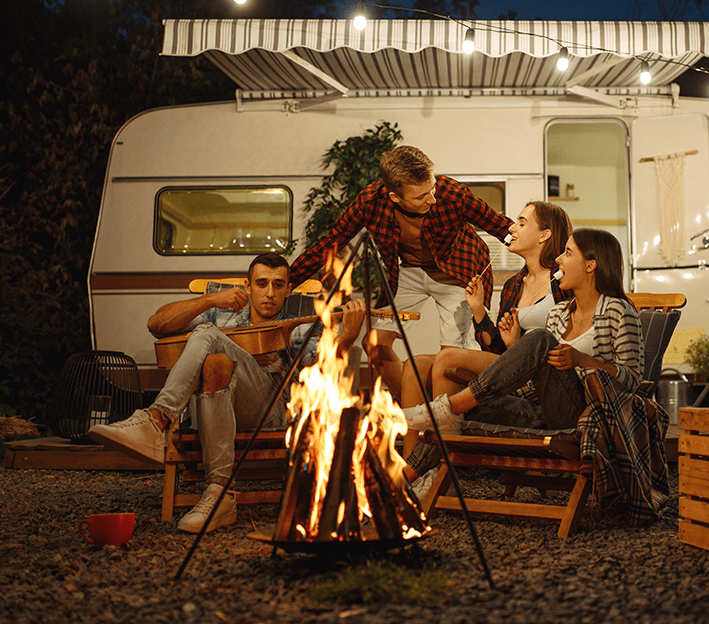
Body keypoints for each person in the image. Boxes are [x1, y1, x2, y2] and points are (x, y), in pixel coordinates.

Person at [89, 252, 366, 533]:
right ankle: (220, 493)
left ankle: (156, 420)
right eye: (261, 283)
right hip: (210, 409)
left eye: (279, 285)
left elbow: (319, 371)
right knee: (216, 360)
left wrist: (346, 339)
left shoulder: (298, 326)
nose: (269, 292)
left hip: (267, 413)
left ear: (288, 290)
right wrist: (208, 299)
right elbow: (156, 324)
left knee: (208, 333)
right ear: (247, 286)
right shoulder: (219, 313)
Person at [402, 228, 644, 483]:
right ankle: (410, 479)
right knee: (464, 413)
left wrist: (583, 361)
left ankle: (447, 409)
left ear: (590, 265)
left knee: (539, 339)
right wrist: (516, 349)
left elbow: (632, 380)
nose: (559, 259)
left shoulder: (618, 310)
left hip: (582, 414)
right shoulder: (559, 312)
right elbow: (537, 381)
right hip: (541, 410)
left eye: (568, 253)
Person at [289, 145, 514, 399]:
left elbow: (501, 226)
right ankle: (410, 410)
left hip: (458, 272)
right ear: (395, 197)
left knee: (450, 358)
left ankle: (447, 425)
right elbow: (331, 242)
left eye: (432, 189)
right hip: (408, 273)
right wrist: (288, 280)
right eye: (421, 197)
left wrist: (543, 251)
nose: (432, 199)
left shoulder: (452, 193)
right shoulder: (370, 202)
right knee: (373, 345)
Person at [399, 200, 572, 457]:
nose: (511, 228)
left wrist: (517, 345)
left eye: (522, 223)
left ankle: (440, 463)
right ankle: (411, 467)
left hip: (544, 375)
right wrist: (478, 310)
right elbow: (496, 349)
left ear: (544, 234)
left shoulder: (564, 279)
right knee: (416, 365)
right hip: (508, 366)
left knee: (447, 357)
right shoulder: (515, 284)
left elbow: (570, 336)